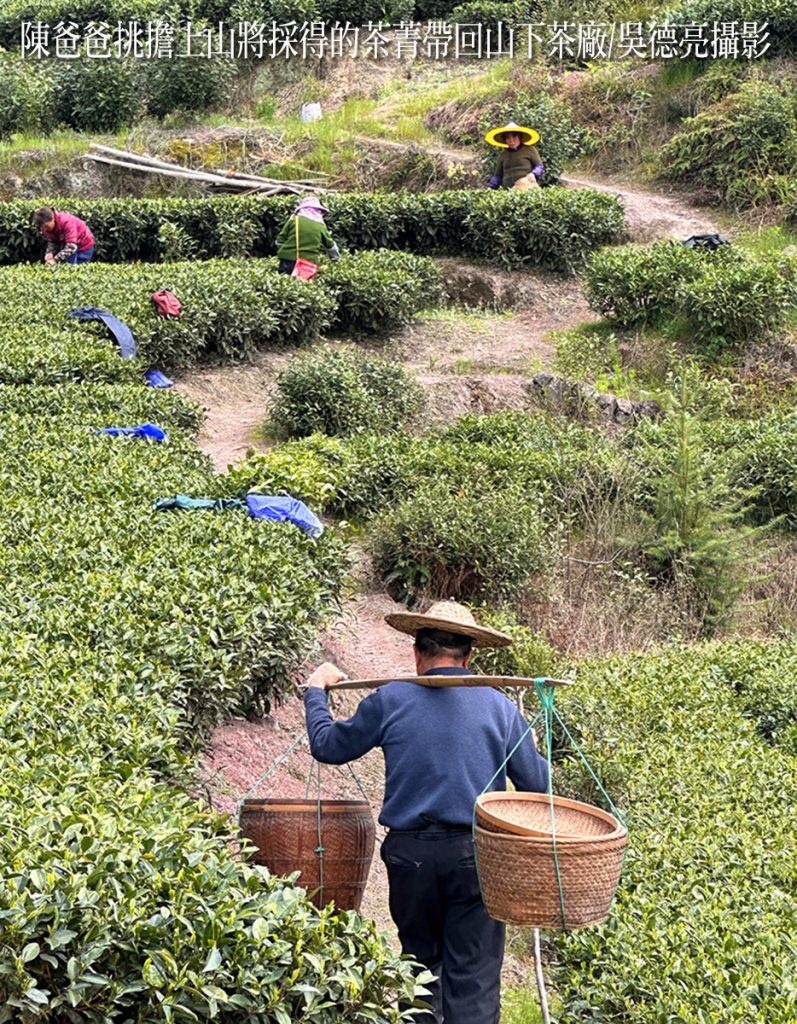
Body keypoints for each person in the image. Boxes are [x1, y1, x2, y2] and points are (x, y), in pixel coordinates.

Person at [302, 600, 549, 1024]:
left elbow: (327, 746)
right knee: (472, 975)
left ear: (417, 653)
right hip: (476, 857)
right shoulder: (499, 707)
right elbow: (537, 786)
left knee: (419, 970)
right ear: (469, 657)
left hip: (409, 856)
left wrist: (315, 691)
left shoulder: (390, 699)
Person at [274, 195, 340, 274]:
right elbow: (330, 246)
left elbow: (280, 240)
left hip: (287, 261)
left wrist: (286, 251)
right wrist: (336, 259)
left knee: (284, 283)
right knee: (303, 285)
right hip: (308, 264)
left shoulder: (294, 219)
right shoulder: (321, 225)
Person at [485, 121, 544, 190]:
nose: (511, 140)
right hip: (508, 191)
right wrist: (490, 187)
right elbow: (498, 176)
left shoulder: (529, 149)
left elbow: (539, 166)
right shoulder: (503, 155)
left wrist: (534, 173)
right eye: (508, 138)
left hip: (526, 187)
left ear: (520, 137)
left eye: (514, 136)